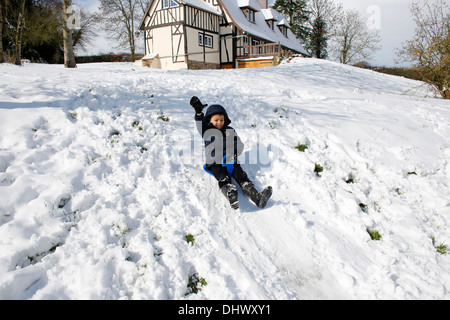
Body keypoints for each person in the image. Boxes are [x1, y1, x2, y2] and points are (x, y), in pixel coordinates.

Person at [190, 96, 272, 210]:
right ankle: (230, 193)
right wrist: (199, 113)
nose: (219, 122)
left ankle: (258, 198)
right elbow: (200, 125)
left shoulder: (230, 131)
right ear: (209, 120)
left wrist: (234, 152)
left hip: (230, 160)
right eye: (216, 120)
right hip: (215, 162)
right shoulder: (207, 131)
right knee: (223, 177)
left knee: (241, 176)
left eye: (221, 120)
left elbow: (238, 143)